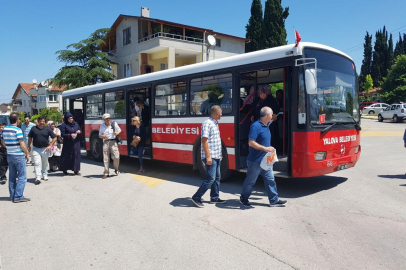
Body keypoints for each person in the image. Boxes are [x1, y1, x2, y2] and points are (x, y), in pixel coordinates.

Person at [240, 106, 287, 208]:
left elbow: (274, 118)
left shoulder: (266, 124)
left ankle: (274, 200)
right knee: (250, 181)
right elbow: (251, 143)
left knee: (270, 180)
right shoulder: (256, 126)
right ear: (268, 115)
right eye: (272, 114)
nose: (272, 116)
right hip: (255, 161)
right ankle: (244, 198)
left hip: (266, 160)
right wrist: (265, 149)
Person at [191, 105, 226, 208]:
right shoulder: (207, 123)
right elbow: (204, 140)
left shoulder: (215, 123)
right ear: (216, 113)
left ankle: (214, 197)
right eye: (220, 113)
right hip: (210, 156)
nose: (221, 114)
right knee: (211, 178)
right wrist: (208, 157)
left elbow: (215, 141)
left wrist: (220, 155)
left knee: (217, 178)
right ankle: (196, 197)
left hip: (216, 155)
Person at [1, 112, 30, 203]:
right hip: (18, 155)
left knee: (12, 176)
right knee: (22, 176)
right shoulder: (17, 130)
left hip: (9, 154)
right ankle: (18, 196)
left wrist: (9, 147)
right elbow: (22, 144)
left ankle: (12, 195)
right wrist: (26, 154)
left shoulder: (4, 129)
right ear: (17, 119)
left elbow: (2, 142)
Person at [27, 116, 57, 185]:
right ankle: (38, 177)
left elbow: (54, 137)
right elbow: (30, 137)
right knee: (37, 163)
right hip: (35, 148)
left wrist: (50, 145)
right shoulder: (33, 128)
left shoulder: (47, 129)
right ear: (38, 121)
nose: (41, 122)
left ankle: (44, 174)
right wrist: (28, 146)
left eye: (43, 121)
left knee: (44, 163)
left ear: (45, 122)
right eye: (40, 121)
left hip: (45, 149)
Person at [99, 113, 121, 179]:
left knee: (116, 157)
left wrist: (117, 133)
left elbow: (119, 130)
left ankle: (116, 169)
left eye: (109, 118)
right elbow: (99, 135)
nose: (108, 120)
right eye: (106, 119)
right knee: (106, 158)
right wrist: (102, 136)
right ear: (104, 120)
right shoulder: (102, 126)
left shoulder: (114, 123)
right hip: (106, 142)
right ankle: (106, 173)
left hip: (113, 141)